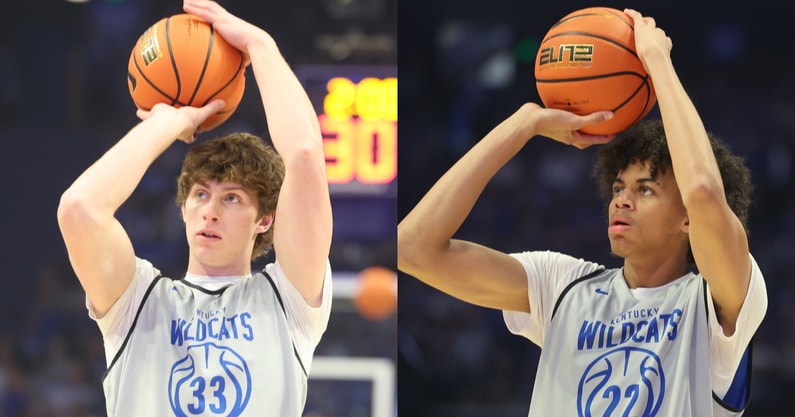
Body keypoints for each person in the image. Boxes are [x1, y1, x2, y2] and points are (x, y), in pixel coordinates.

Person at [397, 9, 766, 417]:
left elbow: (702, 190)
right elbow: (412, 248)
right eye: (618, 188)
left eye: (646, 189)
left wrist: (657, 60)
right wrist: (523, 124)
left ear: (688, 221)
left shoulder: (717, 302)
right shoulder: (562, 286)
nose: (622, 201)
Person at [57, 1, 333, 415]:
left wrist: (261, 46)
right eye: (200, 195)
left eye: (232, 198)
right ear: (183, 209)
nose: (210, 211)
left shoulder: (285, 299)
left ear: (265, 220)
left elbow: (307, 157)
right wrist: (167, 122)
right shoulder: (138, 302)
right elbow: (80, 208)